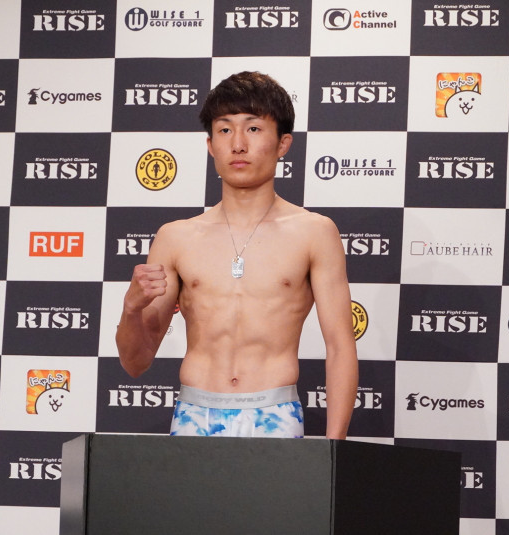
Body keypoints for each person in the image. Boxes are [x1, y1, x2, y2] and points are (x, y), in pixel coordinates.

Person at [116, 71, 358, 439]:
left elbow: (340, 346)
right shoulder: (175, 237)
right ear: (211, 145)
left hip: (275, 416)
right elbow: (136, 363)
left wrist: (334, 448)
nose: (238, 144)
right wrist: (131, 309)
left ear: (283, 143)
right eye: (225, 130)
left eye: (254, 128)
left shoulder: (314, 232)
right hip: (194, 416)